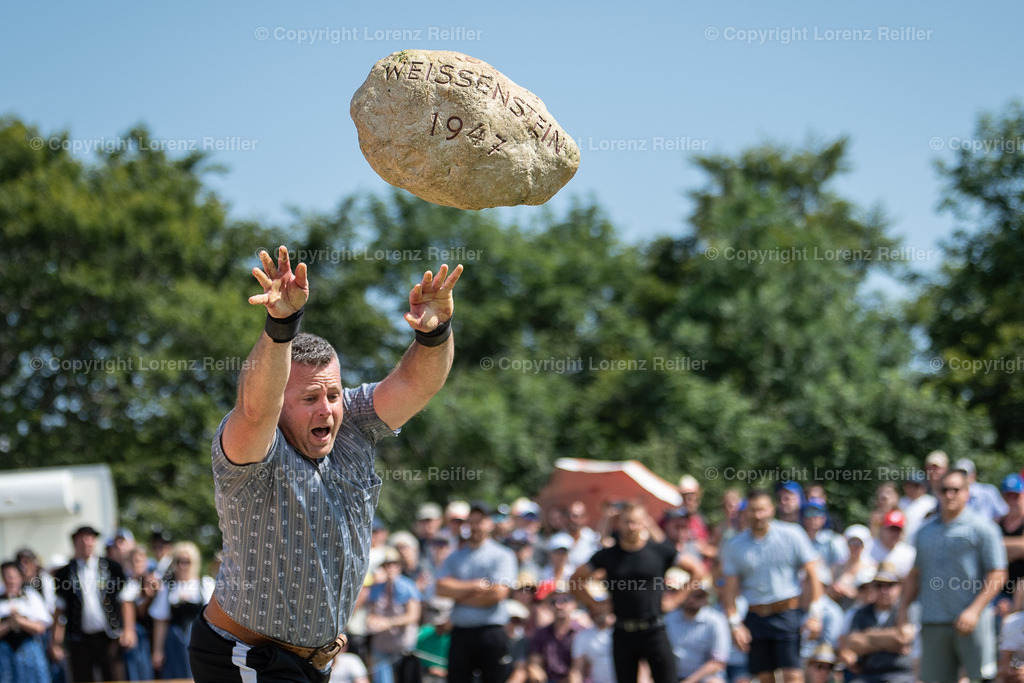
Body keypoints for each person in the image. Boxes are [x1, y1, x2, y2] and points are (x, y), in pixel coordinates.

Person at [187, 246, 463, 683]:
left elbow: (414, 384)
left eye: (332, 395)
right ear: (281, 402)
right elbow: (257, 408)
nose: (327, 410)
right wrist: (281, 326)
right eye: (310, 399)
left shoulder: (353, 422)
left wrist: (435, 333)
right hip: (246, 656)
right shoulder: (254, 444)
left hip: (317, 663)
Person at [570, 500, 707, 683]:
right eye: (627, 522)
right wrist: (596, 604)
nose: (632, 527)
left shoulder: (659, 551)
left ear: (644, 523)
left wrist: (676, 599)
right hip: (623, 631)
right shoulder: (608, 555)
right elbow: (575, 580)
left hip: (654, 629)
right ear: (619, 523)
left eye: (636, 522)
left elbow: (697, 571)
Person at [898, 467, 1007, 683]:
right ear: (936, 492)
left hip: (971, 621)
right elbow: (916, 573)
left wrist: (974, 611)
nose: (950, 495)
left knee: (980, 679)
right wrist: (903, 609)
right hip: (933, 620)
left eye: (956, 490)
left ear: (967, 493)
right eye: (944, 489)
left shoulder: (983, 529)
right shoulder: (924, 531)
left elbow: (998, 573)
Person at [720, 489, 823, 683]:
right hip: (755, 616)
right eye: (753, 510)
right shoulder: (735, 545)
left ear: (772, 509)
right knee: (765, 678)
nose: (758, 515)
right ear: (746, 512)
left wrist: (815, 614)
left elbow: (813, 574)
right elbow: (730, 589)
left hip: (787, 613)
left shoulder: (792, 534)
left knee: (793, 675)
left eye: (762, 509)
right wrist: (734, 625)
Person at [436, 500, 519, 683]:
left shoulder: (503, 555)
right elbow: (441, 588)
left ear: (489, 523)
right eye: (471, 521)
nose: (475, 526)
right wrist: (477, 586)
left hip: (491, 632)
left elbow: (497, 594)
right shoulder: (454, 557)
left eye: (479, 521)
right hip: (461, 633)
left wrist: (458, 594)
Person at [50, 524, 135, 683]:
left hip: (109, 636)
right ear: (75, 543)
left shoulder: (111, 567)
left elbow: (125, 601)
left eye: (90, 539)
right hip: (79, 638)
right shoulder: (64, 573)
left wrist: (129, 630)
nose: (87, 543)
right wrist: (55, 642)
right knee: (82, 678)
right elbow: (59, 609)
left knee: (114, 676)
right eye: (82, 540)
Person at [835, 563, 916, 683]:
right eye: (879, 585)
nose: (884, 590)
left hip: (899, 674)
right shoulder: (861, 612)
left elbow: (903, 637)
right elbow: (853, 642)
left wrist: (867, 638)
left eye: (890, 585)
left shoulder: (907, 609)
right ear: (873, 587)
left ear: (900, 587)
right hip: (868, 674)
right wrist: (891, 641)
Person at [152, 541, 215, 679]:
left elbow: (215, 620)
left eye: (187, 561)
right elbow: (161, 621)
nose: (182, 565)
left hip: (200, 641)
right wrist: (157, 651)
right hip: (174, 641)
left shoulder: (206, 584)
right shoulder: (168, 588)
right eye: (179, 561)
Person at [367, 547, 422, 683]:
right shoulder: (377, 588)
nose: (390, 568)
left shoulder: (409, 586)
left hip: (403, 644)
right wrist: (373, 622)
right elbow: (372, 614)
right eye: (387, 565)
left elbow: (413, 616)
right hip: (382, 643)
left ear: (399, 566)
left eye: (393, 565)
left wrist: (388, 622)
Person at [664, 579, 730, 683]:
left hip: (703, 678)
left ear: (707, 597)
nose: (692, 599)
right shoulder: (668, 618)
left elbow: (718, 662)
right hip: (671, 675)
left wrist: (689, 681)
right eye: (689, 593)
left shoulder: (716, 621)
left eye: (698, 595)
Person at [0, 561, 51, 683]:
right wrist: (8, 623)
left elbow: (41, 627)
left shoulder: (31, 597)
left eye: (13, 577)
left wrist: (20, 620)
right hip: (5, 654)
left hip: (30, 651)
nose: (11, 581)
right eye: (7, 577)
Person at [528, 590, 585, 683]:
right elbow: (535, 664)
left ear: (575, 604)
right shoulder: (540, 634)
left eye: (565, 600)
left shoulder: (582, 633)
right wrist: (537, 676)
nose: (559, 605)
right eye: (553, 602)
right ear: (548, 606)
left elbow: (577, 672)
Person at [568, 599, 616, 683]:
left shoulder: (625, 632)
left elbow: (641, 669)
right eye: (593, 605)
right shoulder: (583, 636)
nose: (596, 609)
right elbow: (576, 671)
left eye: (602, 604)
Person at [999, 473, 1024, 616]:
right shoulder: (998, 522)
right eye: (1009, 496)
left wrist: (999, 546)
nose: (1013, 500)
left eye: (1017, 495)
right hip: (999, 591)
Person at [868, 511, 915, 579]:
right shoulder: (867, 547)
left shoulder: (909, 554)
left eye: (898, 530)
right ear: (882, 528)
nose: (894, 533)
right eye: (891, 529)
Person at [898, 470, 936, 543]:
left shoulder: (931, 503)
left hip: (924, 542)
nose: (912, 488)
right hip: (903, 544)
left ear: (924, 487)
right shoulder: (900, 502)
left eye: (916, 485)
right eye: (910, 484)